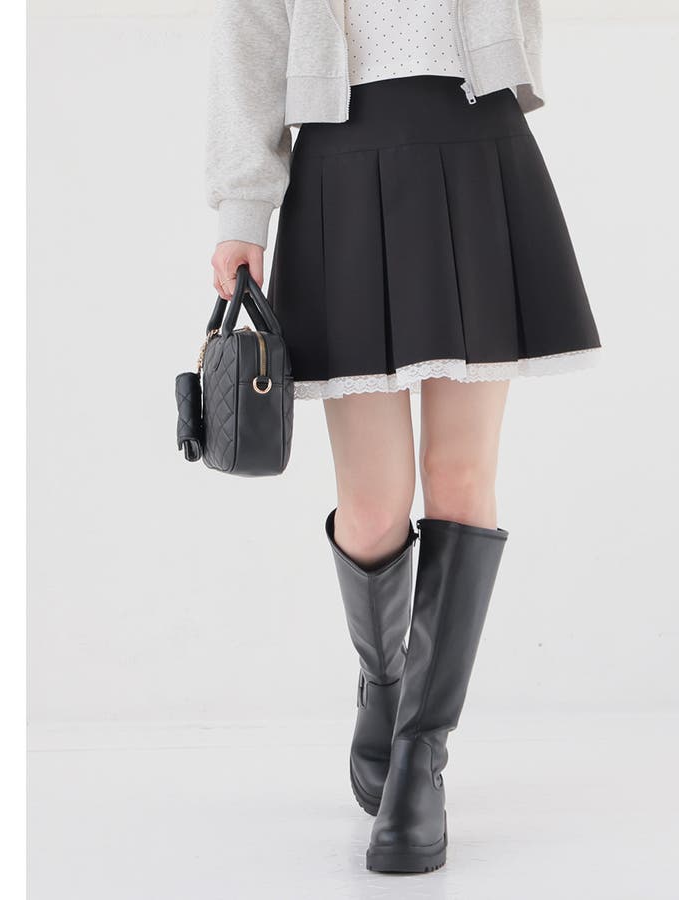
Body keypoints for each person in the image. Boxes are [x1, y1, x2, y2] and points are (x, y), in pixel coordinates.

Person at [206, 0, 600, 874]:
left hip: (476, 143)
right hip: (342, 163)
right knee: (373, 508)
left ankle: (422, 754)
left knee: (460, 476)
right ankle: (385, 685)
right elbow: (249, 40)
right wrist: (242, 210)